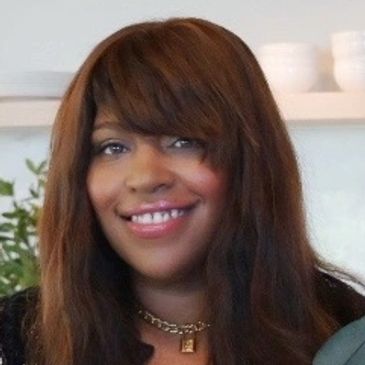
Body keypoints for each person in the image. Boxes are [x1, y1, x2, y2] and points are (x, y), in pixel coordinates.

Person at [0, 17, 364, 365]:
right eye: (112, 147)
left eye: (183, 141)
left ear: (251, 161)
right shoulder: (16, 337)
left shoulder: (348, 334)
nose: (144, 177)